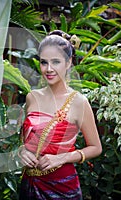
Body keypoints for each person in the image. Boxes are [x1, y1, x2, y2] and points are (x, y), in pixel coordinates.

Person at [18, 30, 102, 199]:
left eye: (56, 62)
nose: (48, 69)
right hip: (29, 185)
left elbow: (96, 147)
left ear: (68, 62)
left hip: (62, 187)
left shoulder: (79, 102)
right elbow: (25, 138)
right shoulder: (32, 97)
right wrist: (22, 152)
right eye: (44, 62)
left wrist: (63, 157)